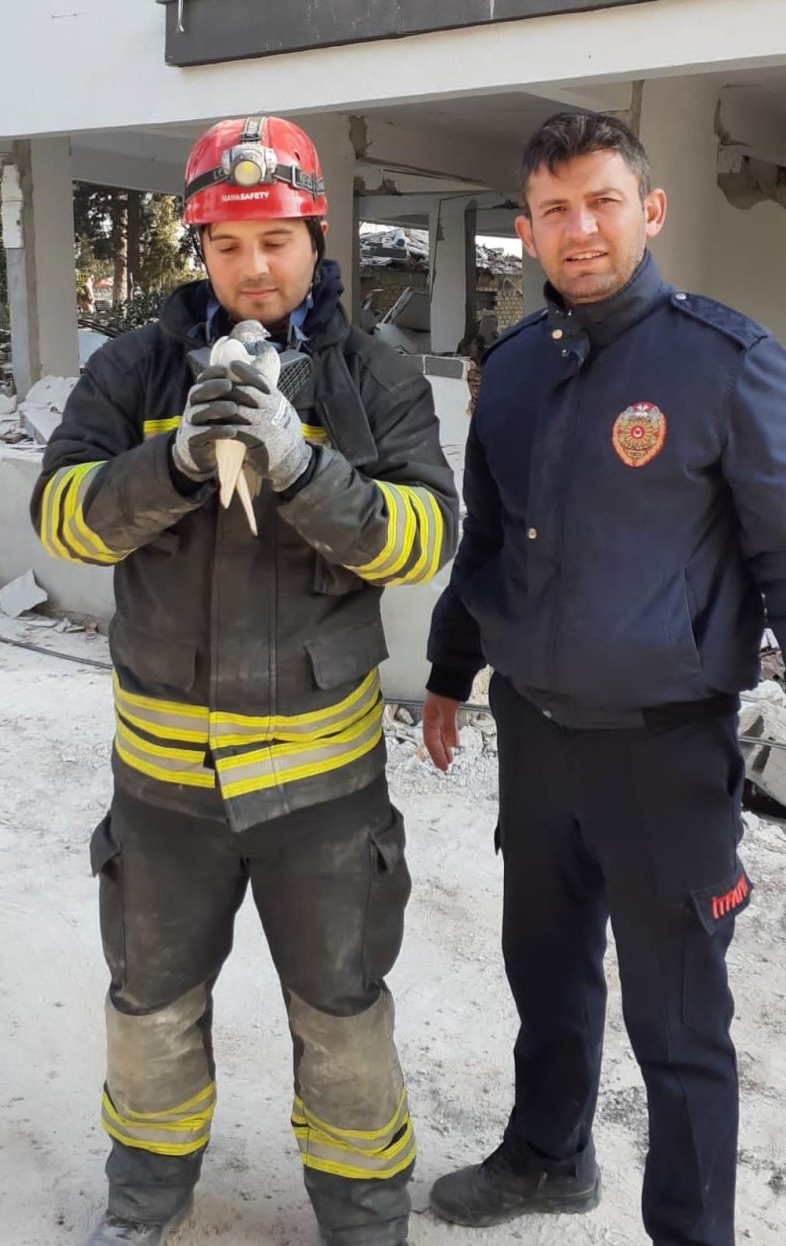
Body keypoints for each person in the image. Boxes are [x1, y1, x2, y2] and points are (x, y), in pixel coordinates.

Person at [31, 114, 457, 1246]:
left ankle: (364, 1216)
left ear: (316, 235)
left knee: (343, 1017)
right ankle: (146, 1204)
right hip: (165, 792)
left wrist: (307, 467)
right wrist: (168, 463)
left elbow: (421, 539)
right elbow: (60, 516)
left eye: (276, 239)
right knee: (151, 1010)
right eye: (227, 244)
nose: (253, 267)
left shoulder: (376, 375)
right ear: (200, 249)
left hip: (324, 796)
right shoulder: (137, 367)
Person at [423, 110, 786, 1246]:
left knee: (681, 1026)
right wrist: (448, 668)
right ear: (527, 231)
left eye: (603, 201)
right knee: (547, 969)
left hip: (664, 747)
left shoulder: (726, 362)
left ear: (650, 210)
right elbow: (490, 539)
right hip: (533, 731)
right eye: (555, 210)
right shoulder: (518, 369)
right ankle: (546, 1156)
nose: (581, 229)